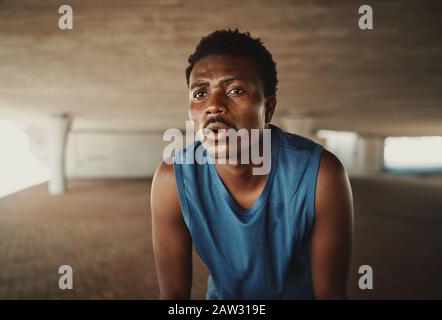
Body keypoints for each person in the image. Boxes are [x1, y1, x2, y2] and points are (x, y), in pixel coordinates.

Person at [151, 29, 354, 299]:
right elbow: (174, 299)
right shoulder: (172, 179)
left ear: (267, 109)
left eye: (235, 90)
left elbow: (331, 295)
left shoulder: (321, 174)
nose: (213, 105)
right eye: (200, 93)